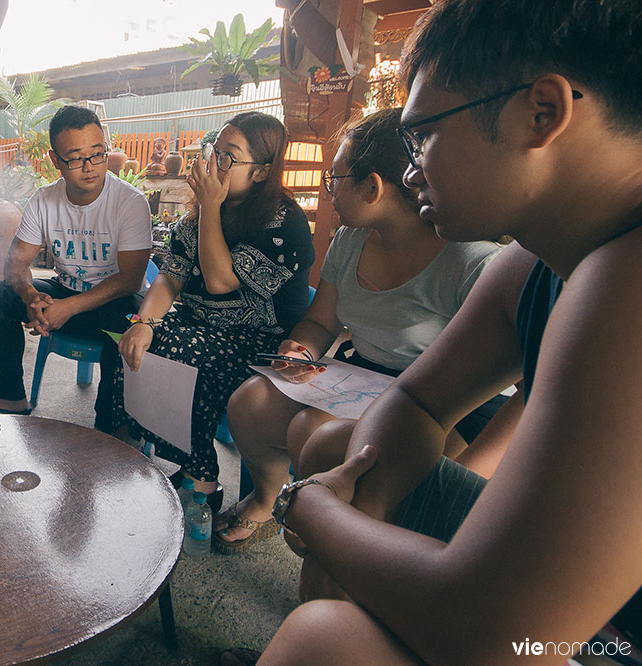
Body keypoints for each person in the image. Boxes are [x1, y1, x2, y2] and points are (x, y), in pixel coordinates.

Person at [247, 1, 642, 663]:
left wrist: (308, 509)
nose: (411, 170)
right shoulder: (538, 260)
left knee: (322, 643)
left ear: (540, 113)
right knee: (339, 451)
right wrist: (361, 497)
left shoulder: (626, 284)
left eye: (422, 135)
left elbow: (496, 636)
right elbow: (417, 401)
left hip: (612, 637)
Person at [216, 109, 507, 551]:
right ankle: (268, 499)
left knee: (310, 431)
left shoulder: (472, 262)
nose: (326, 191)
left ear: (372, 187)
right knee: (249, 403)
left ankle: (327, 536)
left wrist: (470, 475)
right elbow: (320, 320)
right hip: (363, 374)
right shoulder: (350, 240)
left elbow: (524, 387)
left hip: (446, 404)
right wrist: (300, 348)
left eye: (335, 180)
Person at [114, 111, 315, 508]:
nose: (213, 164)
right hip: (199, 325)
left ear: (260, 172)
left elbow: (220, 281)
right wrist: (144, 322)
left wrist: (210, 208)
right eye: (215, 151)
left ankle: (200, 479)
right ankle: (148, 448)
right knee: (134, 337)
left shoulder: (283, 223)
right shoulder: (196, 217)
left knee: (183, 353)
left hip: (262, 341)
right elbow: (170, 277)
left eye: (228, 157)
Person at [0, 105, 152, 431]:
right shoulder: (44, 200)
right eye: (75, 158)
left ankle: (111, 423)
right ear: (55, 160)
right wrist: (31, 296)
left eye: (98, 154)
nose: (89, 167)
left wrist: (68, 308)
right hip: (63, 293)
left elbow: (130, 279)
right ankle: (11, 398)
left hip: (110, 305)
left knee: (131, 317)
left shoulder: (130, 202)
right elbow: (16, 264)